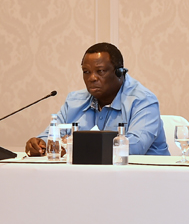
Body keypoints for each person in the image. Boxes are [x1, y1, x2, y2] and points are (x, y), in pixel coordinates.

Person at [25, 43, 169, 156]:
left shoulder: (143, 101)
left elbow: (135, 147)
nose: (92, 78)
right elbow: (52, 135)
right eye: (86, 72)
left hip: (145, 182)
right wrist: (40, 144)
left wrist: (76, 146)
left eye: (100, 71)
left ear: (120, 73)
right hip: (92, 179)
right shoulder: (74, 100)